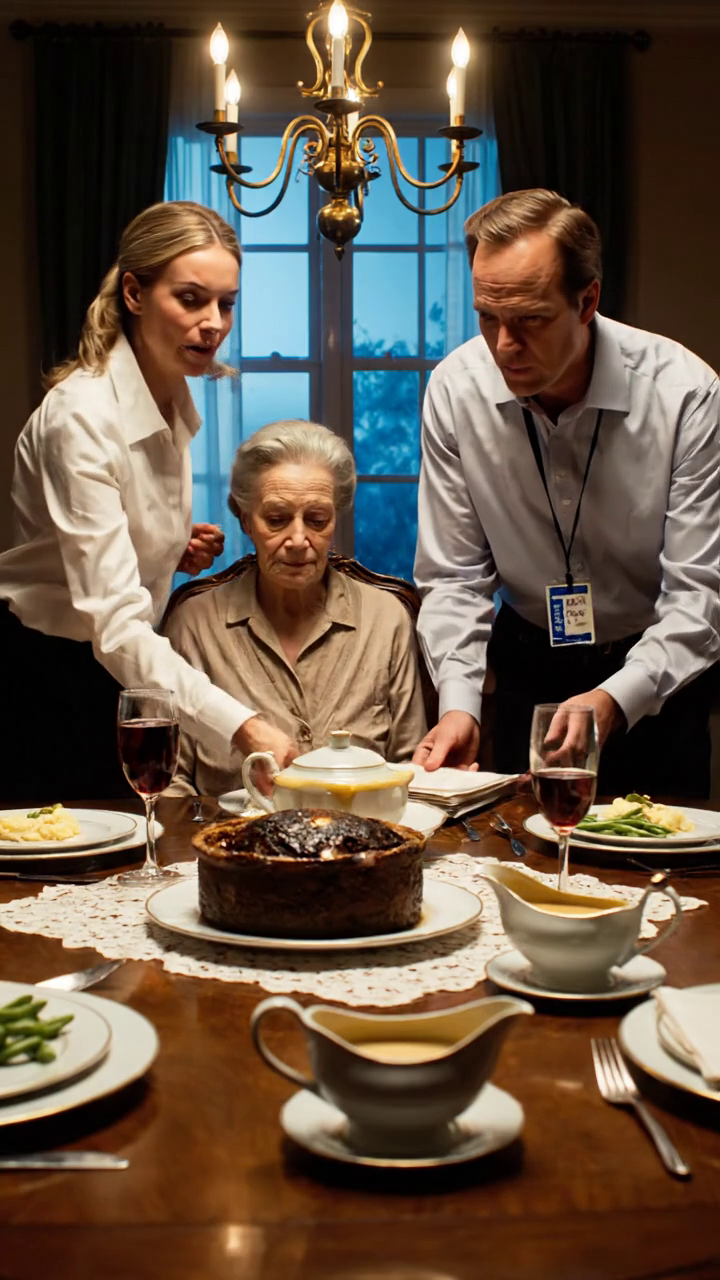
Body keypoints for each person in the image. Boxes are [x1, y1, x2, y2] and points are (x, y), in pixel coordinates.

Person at [413, 188, 720, 797]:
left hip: (655, 678)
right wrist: (458, 705)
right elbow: (454, 578)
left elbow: (698, 593)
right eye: (487, 317)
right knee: (524, 861)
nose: (503, 345)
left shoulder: (685, 393)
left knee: (666, 879)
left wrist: (616, 697)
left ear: (588, 301)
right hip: (529, 663)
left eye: (530, 319)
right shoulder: (455, 389)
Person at [0, 201, 297, 803]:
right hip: (44, 679)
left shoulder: (172, 401)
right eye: (190, 299)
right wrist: (242, 726)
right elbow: (112, 624)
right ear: (134, 294)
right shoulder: (81, 416)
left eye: (226, 303)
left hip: (118, 673)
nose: (213, 322)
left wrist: (168, 548)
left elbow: (96, 548)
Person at [162, 420, 427, 796]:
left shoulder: (386, 619)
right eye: (276, 519)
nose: (299, 540)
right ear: (244, 520)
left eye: (317, 520)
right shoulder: (194, 624)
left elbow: (410, 772)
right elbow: (172, 786)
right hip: (235, 847)